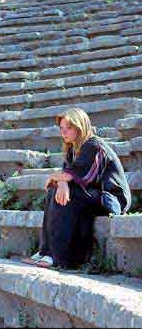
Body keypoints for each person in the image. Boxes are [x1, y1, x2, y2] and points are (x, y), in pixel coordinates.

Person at [22, 108, 131, 269]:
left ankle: (56, 256)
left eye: (69, 128)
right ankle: (45, 250)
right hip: (91, 194)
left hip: (110, 199)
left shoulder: (94, 146)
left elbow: (76, 175)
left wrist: (57, 178)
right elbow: (67, 175)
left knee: (68, 193)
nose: (64, 132)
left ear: (80, 127)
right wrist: (62, 182)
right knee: (56, 191)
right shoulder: (73, 149)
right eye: (62, 129)